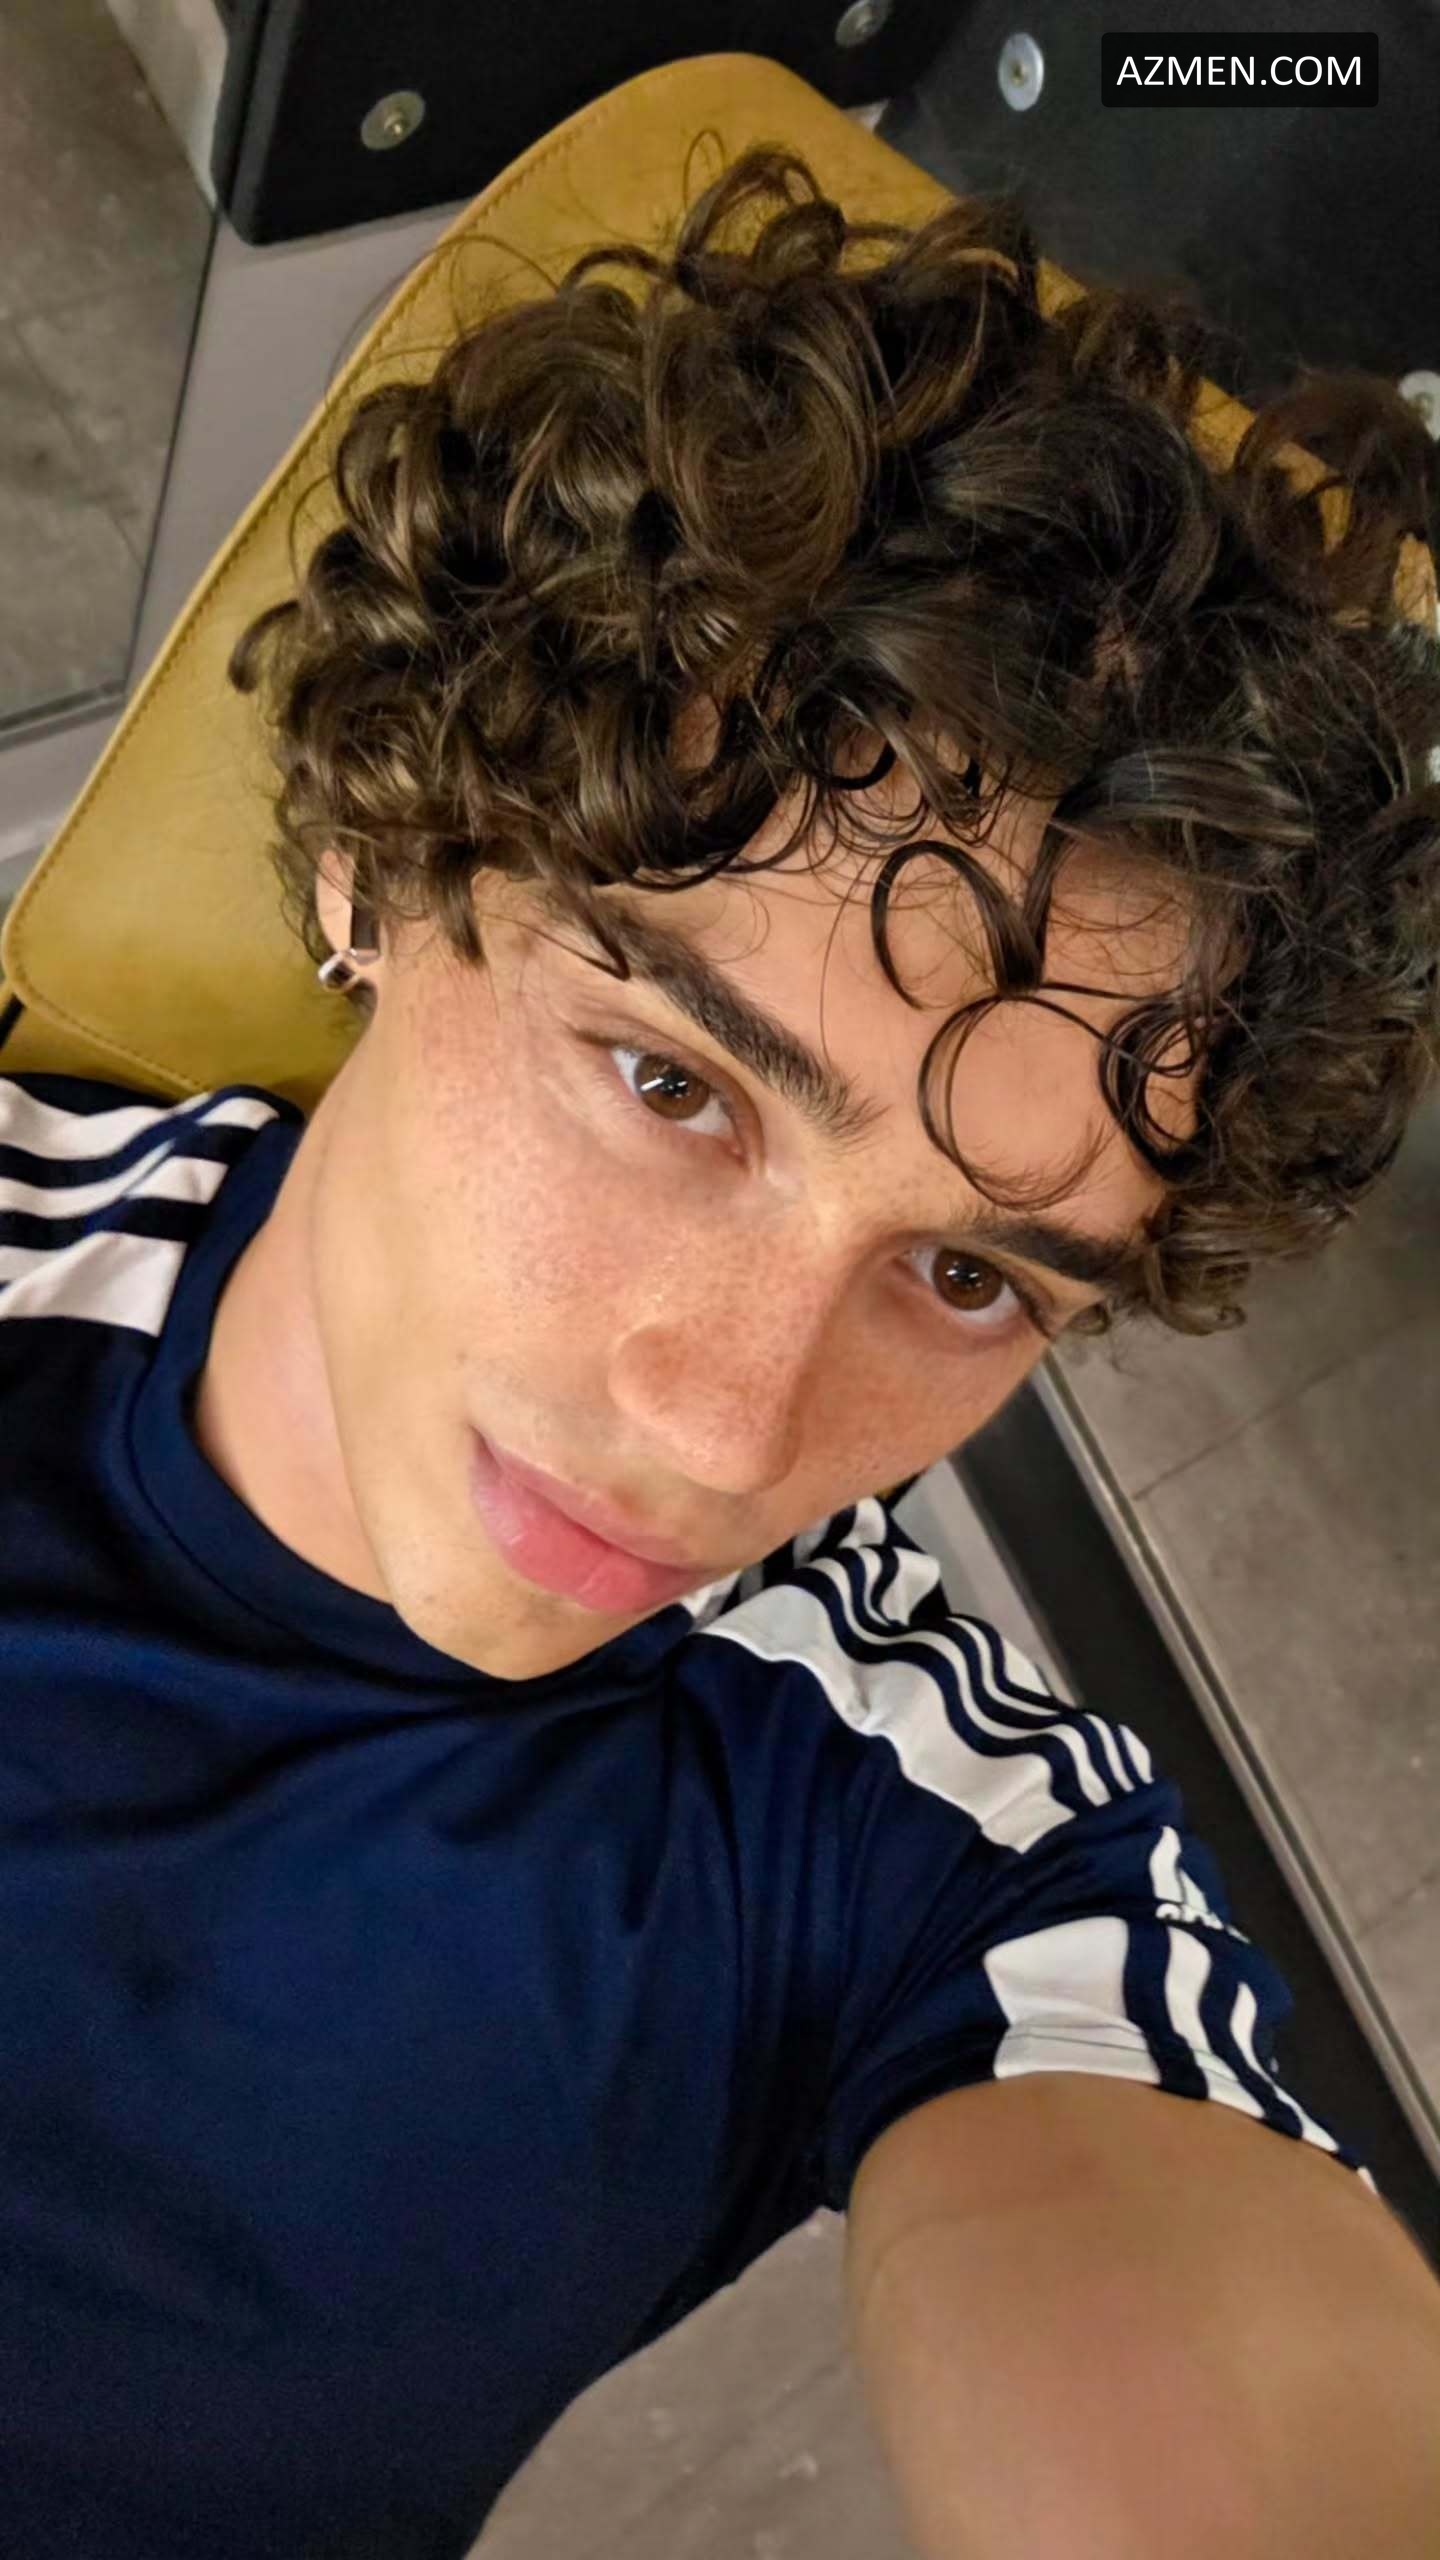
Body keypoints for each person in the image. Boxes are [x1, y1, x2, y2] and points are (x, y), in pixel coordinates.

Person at [2, 145, 1439, 2559]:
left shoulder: (925, 1845)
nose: (724, 1429)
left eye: (969, 1276)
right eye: (671, 1083)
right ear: (382, 859)